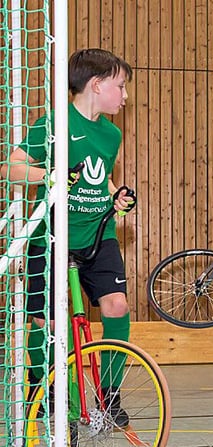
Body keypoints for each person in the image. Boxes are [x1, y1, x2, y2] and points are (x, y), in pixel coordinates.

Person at [2, 48, 136, 427]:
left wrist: (116, 196)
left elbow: (101, 178)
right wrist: (49, 178)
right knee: (44, 324)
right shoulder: (53, 124)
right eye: (120, 86)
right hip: (52, 238)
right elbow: (10, 167)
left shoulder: (111, 134)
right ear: (96, 85)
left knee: (116, 308)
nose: (125, 96)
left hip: (99, 236)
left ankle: (109, 395)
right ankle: (43, 387)